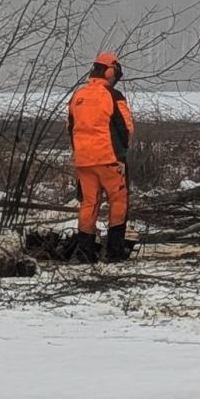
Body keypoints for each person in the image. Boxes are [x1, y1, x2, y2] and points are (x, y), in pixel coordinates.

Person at [67, 51, 136, 263]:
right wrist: (122, 153)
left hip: (84, 161)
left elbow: (70, 128)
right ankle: (115, 250)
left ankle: (85, 251)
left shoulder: (77, 96)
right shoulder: (113, 96)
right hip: (109, 160)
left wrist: (79, 152)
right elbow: (127, 129)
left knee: (89, 204)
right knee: (118, 201)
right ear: (109, 72)